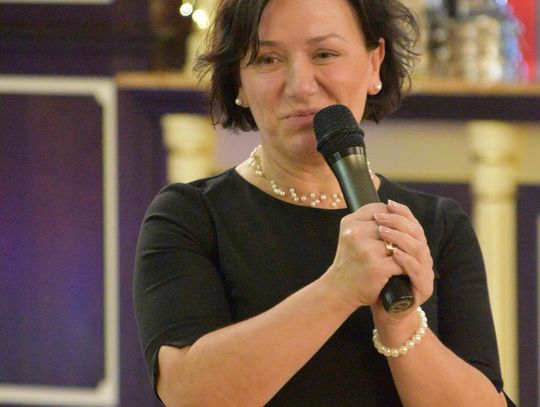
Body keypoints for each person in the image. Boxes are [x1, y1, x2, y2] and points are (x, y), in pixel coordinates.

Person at [133, 0, 516, 405]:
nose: (300, 85)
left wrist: (401, 323)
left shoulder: (435, 224)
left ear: (375, 63)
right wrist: (339, 288)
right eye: (267, 59)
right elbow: (188, 394)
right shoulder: (189, 216)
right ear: (238, 82)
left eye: (324, 54)